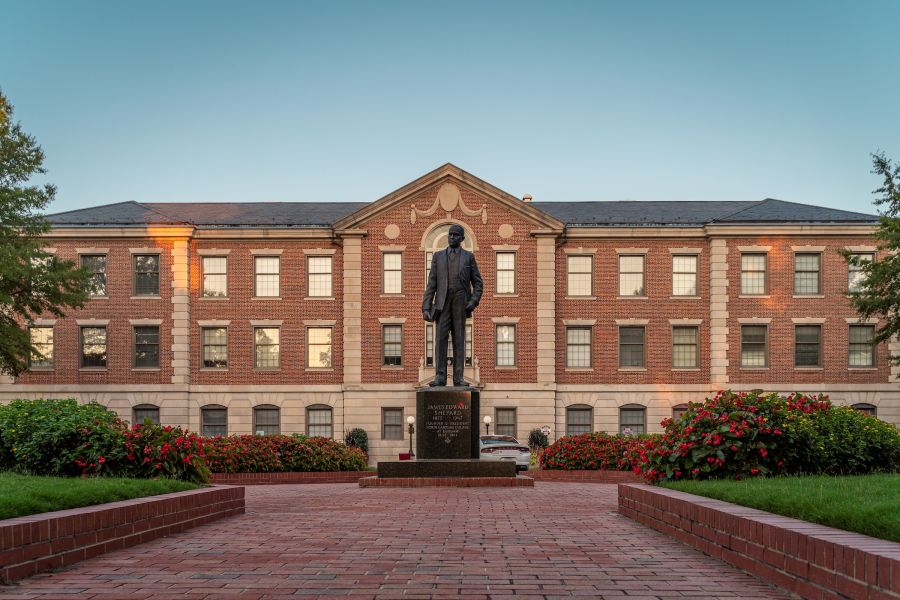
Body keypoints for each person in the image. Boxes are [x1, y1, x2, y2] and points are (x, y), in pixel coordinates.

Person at [422, 224, 483, 387]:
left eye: (456, 235)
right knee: (440, 340)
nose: (452, 237)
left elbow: (478, 283)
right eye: (450, 234)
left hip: (460, 303)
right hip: (442, 303)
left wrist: (472, 302)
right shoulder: (438, 256)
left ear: (462, 239)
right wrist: (426, 307)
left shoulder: (468, 257)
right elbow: (432, 284)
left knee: (459, 340)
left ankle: (458, 378)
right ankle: (440, 377)